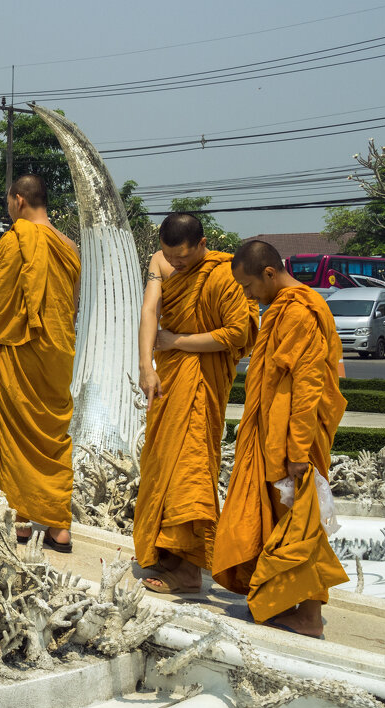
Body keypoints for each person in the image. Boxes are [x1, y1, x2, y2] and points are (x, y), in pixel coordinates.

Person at [213, 240, 348, 638]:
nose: (247, 295)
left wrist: (297, 450)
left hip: (291, 440)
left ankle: (308, 617)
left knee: (299, 523)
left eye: (248, 286)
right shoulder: (285, 307)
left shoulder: (299, 311)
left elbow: (307, 385)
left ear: (269, 273)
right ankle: (284, 599)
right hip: (276, 434)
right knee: (285, 520)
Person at [134, 213, 259, 594]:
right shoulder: (161, 261)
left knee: (191, 467)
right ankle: (171, 548)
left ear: (203, 245)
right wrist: (146, 366)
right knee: (162, 462)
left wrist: (175, 342)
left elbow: (236, 335)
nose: (177, 265)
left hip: (201, 381)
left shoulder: (224, 273)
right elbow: (150, 311)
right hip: (171, 378)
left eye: (184, 260)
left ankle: (189, 570)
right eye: (172, 258)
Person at [0, 174, 81, 551]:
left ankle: (18, 519)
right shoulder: (69, 247)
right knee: (52, 439)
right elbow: (70, 308)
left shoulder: (15, 239)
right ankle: (58, 526)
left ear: (18, 200)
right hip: (57, 353)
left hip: (19, 351)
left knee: (14, 436)